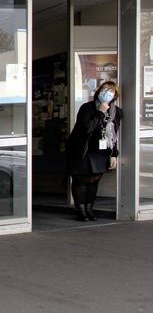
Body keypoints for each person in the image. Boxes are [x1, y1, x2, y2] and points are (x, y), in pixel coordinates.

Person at [66, 81, 121, 221]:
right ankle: (81, 211)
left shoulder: (116, 112)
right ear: (98, 91)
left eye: (111, 91)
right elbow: (86, 129)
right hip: (83, 149)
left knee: (94, 181)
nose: (107, 92)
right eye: (104, 89)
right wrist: (100, 112)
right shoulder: (87, 108)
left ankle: (90, 209)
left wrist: (114, 154)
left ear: (115, 95)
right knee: (81, 180)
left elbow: (115, 135)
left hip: (100, 152)